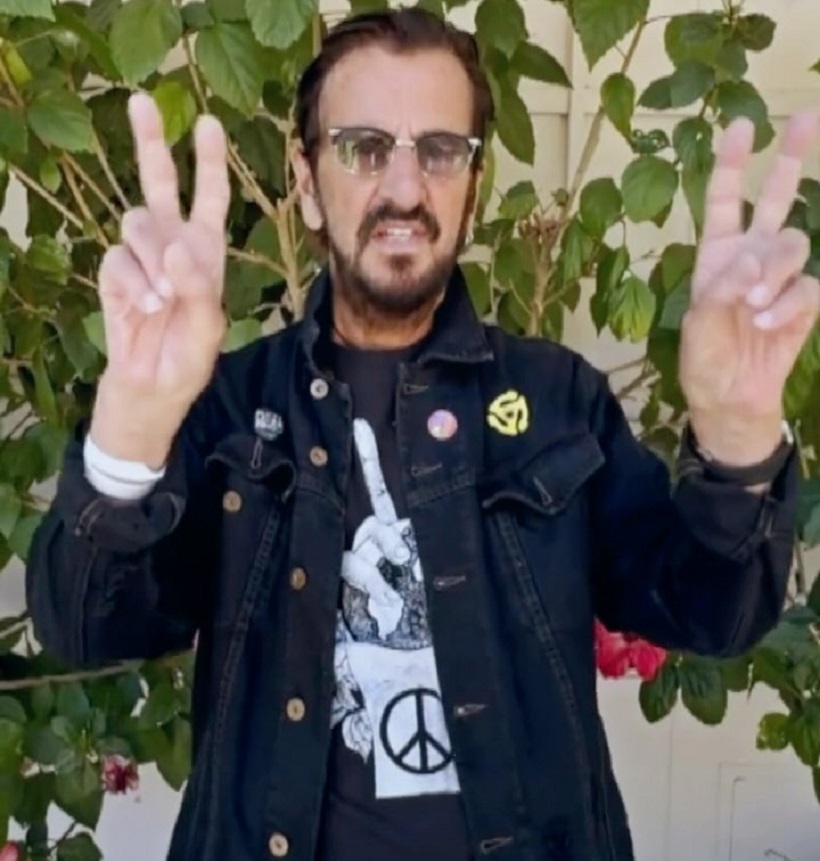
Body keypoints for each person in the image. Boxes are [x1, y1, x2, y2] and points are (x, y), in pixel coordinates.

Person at [24, 7, 818, 861]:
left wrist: (738, 442)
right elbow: (88, 630)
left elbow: (711, 612)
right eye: (364, 147)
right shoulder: (230, 408)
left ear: (472, 183)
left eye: (440, 150)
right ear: (306, 177)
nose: (404, 188)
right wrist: (133, 421)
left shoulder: (559, 401)